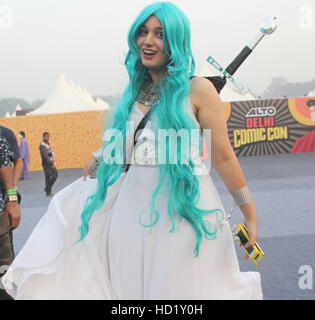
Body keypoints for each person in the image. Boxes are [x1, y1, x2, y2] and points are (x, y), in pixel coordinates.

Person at [2, 2, 262, 299]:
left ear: (177, 40)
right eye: (142, 32)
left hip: (182, 212)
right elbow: (132, 138)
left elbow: (224, 157)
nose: (147, 41)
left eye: (159, 34)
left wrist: (249, 212)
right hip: (130, 212)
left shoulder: (199, 89)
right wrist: (103, 153)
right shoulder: (135, 90)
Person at [0, 127, 21, 300]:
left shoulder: (4, 133)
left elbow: (8, 161)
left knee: (4, 275)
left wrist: (12, 198)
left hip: (1, 209)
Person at [39, 132, 58, 197]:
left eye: (48, 136)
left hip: (50, 163)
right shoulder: (42, 145)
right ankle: (48, 191)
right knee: (50, 177)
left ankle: (47, 189)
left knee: (53, 176)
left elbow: (49, 154)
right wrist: (51, 163)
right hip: (47, 164)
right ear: (43, 137)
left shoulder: (47, 144)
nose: (48, 138)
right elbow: (45, 156)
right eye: (46, 136)